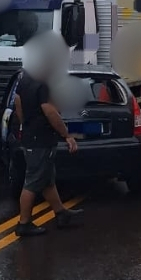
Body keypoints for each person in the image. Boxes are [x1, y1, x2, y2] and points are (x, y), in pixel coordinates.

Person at [12, 66, 84, 236]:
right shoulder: (44, 83)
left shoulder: (26, 77)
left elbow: (17, 101)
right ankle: (24, 223)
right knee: (33, 181)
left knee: (46, 179)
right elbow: (50, 111)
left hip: (32, 136)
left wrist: (26, 123)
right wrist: (66, 134)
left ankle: (61, 213)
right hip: (41, 140)